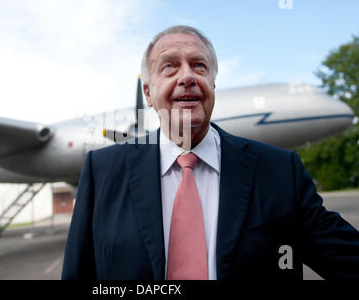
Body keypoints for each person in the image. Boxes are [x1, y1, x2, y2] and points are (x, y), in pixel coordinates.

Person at [62, 25, 359, 280]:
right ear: (149, 94)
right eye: (169, 66)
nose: (187, 76)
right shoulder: (101, 171)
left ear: (212, 84)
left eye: (199, 66)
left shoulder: (281, 171)